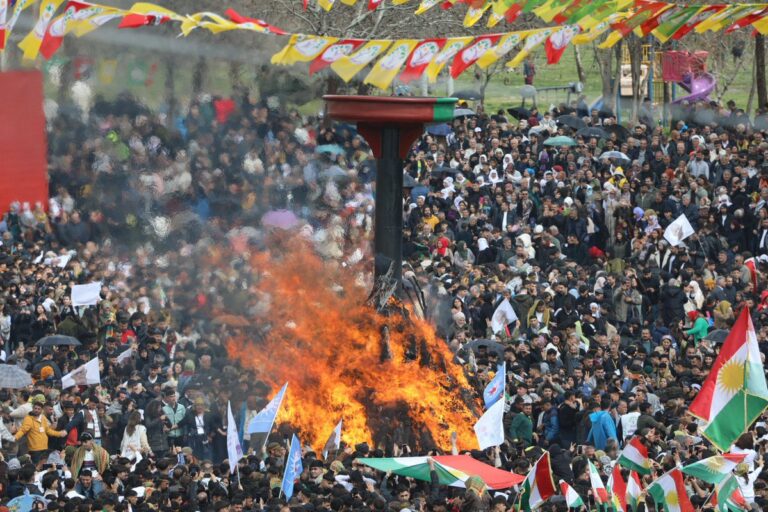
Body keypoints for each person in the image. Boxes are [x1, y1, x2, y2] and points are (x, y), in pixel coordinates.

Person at [13, 399, 66, 464]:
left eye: (39, 409)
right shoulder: (28, 418)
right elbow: (22, 430)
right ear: (33, 408)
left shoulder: (43, 418)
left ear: (42, 410)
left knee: (43, 467)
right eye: (35, 408)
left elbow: (48, 430)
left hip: (44, 448)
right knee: (37, 467)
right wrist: (15, 437)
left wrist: (59, 434)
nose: (37, 410)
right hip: (35, 450)